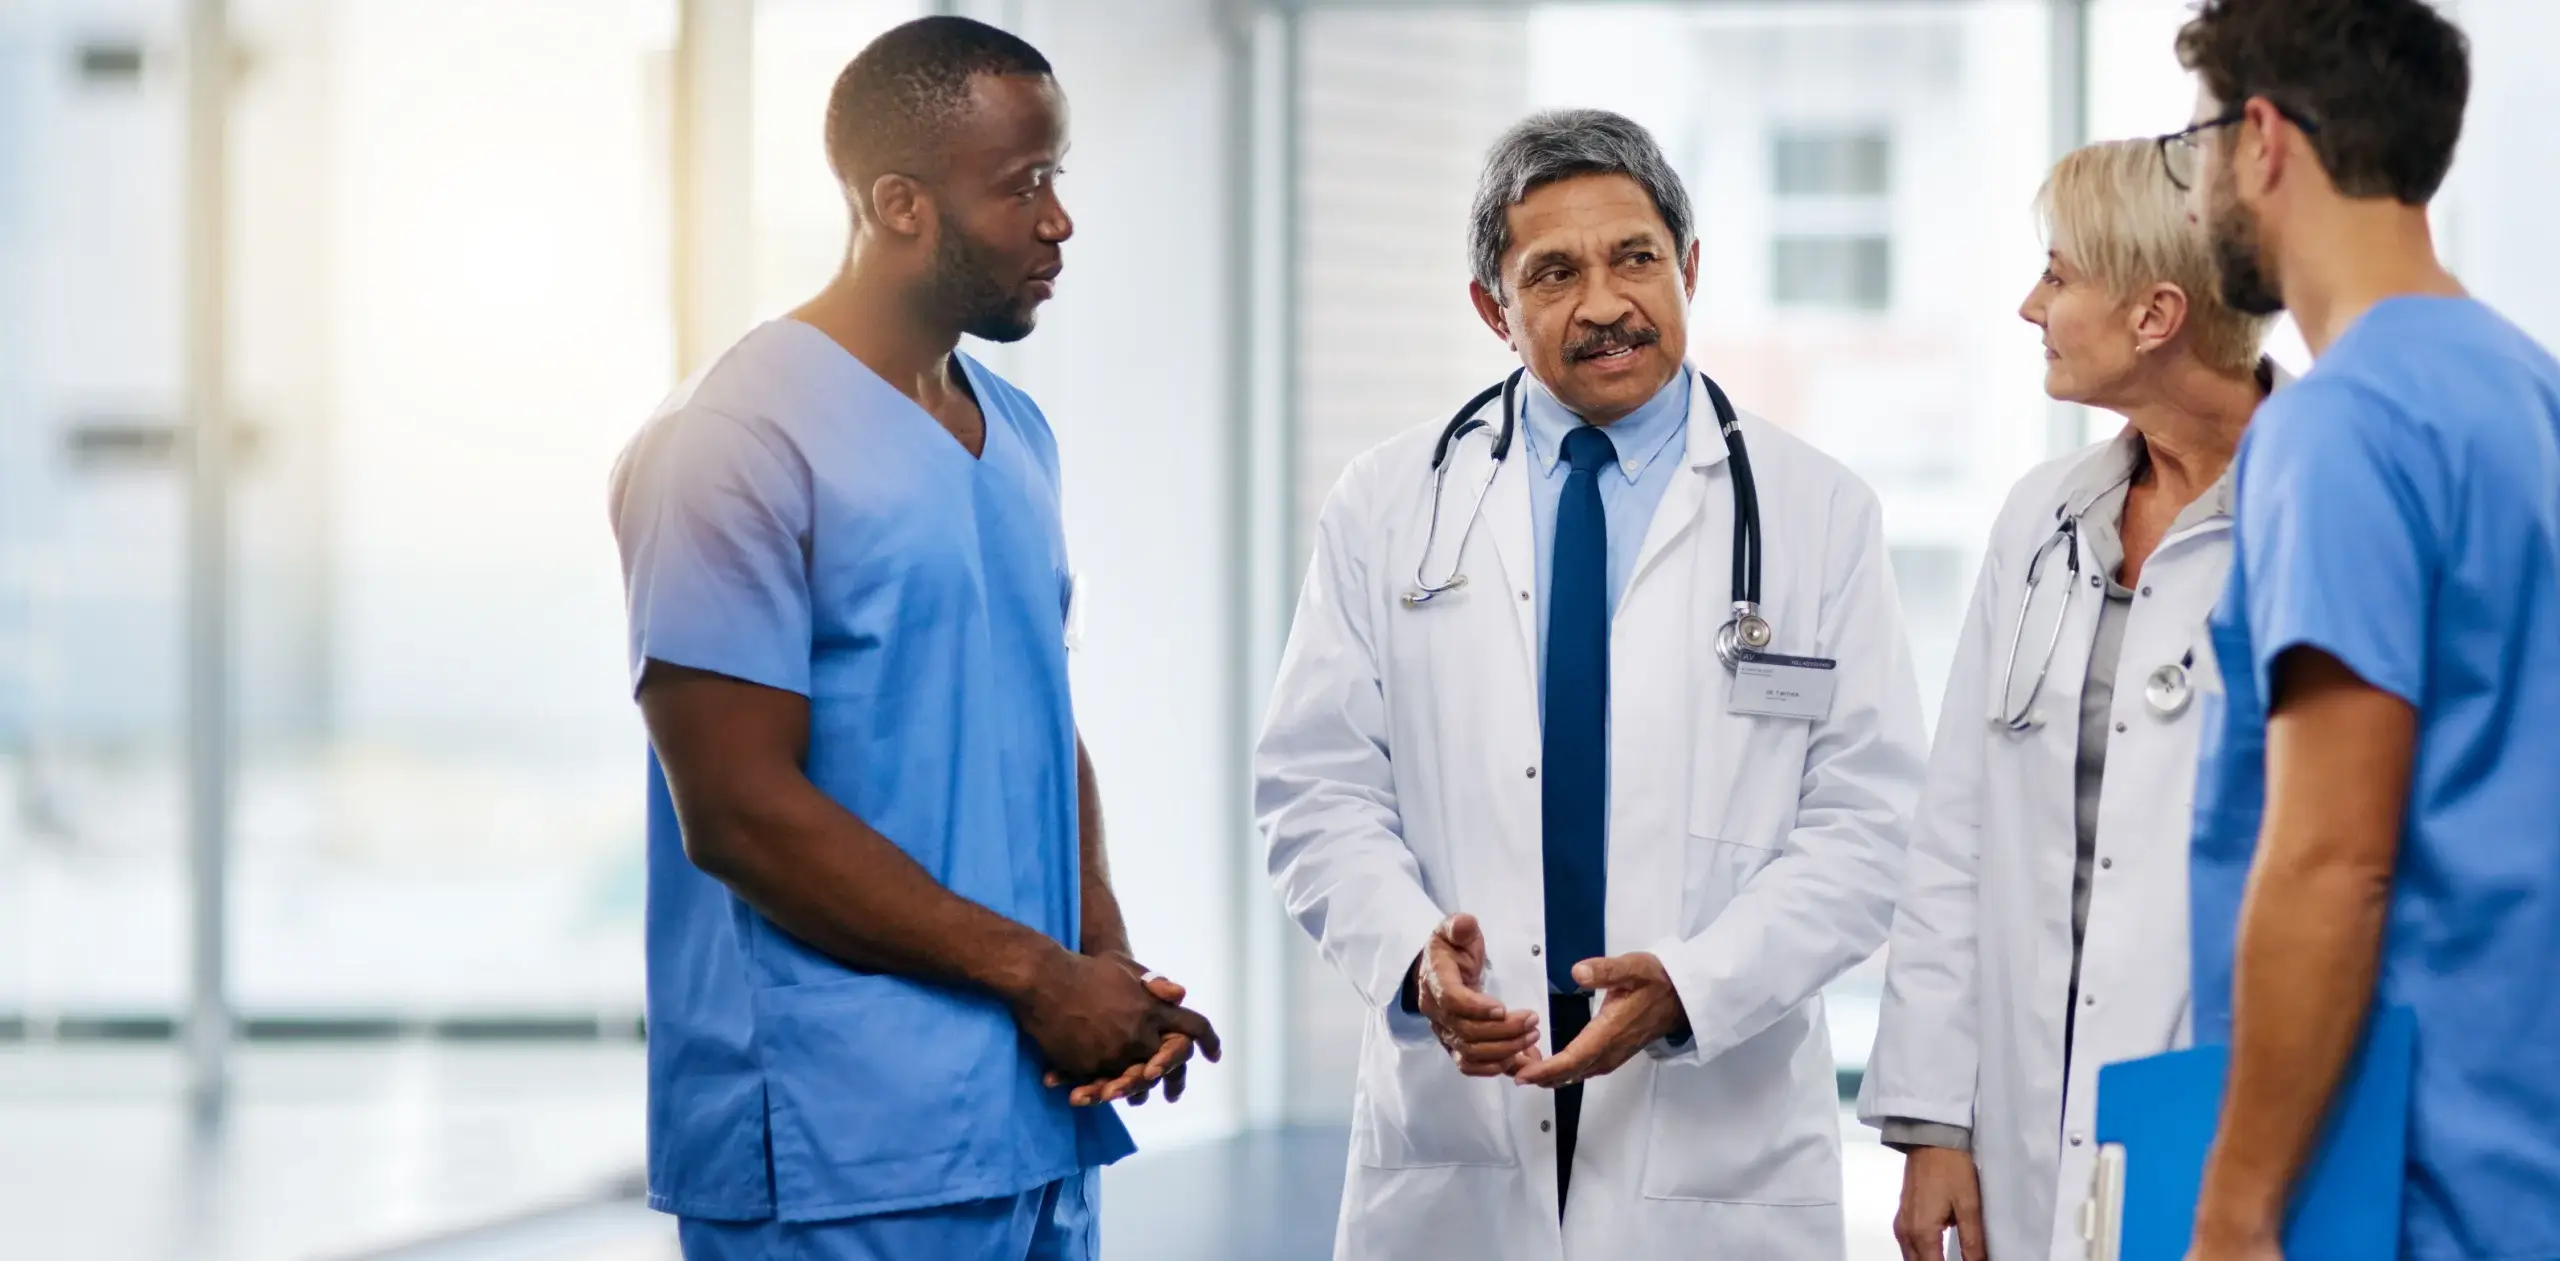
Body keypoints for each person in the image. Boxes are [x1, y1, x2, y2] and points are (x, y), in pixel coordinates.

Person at [1255, 108, 1928, 1261]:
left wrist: (1695, 984)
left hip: (1715, 1142)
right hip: (1459, 1131)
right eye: (1552, 272)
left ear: (1691, 266)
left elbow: (1870, 824)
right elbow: (1314, 789)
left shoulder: (1816, 512)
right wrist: (1412, 956)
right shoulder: (1388, 502)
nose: (1606, 303)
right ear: (1491, 309)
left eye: (1636, 258)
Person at [608, 18, 1217, 1261]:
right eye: (1023, 185)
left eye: (1060, 178)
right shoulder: (730, 438)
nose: (1059, 222)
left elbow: (1038, 714)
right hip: (839, 1148)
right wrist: (1042, 980)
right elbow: (737, 810)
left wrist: (1104, 965)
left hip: (1031, 1123)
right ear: (899, 204)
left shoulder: (1016, 430)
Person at [2164, 2, 2560, 1258]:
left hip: (2399, 1181)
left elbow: (2334, 855)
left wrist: (2233, 1204)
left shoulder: (2342, 426)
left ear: (2264, 139)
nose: (2196, 189)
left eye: (2197, 149)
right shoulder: (2526, 392)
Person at [1858, 137, 2278, 1261]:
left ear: (2155, 314)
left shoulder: (2317, 510)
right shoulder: (2042, 520)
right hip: (2023, 1130)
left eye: (2058, 274)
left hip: (2235, 1112)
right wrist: (1934, 1121)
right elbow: (1956, 831)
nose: (2027, 304)